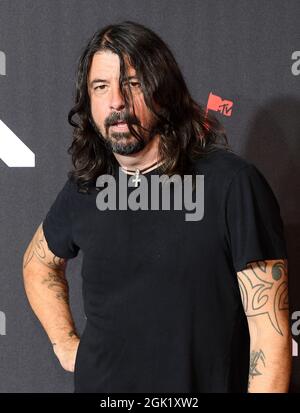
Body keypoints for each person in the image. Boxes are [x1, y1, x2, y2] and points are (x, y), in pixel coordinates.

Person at [22, 21, 291, 393]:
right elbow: (38, 264)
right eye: (101, 87)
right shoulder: (87, 186)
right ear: (89, 100)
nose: (116, 101)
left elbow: (269, 334)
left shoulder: (232, 184)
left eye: (132, 83)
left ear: (163, 90)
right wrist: (65, 344)